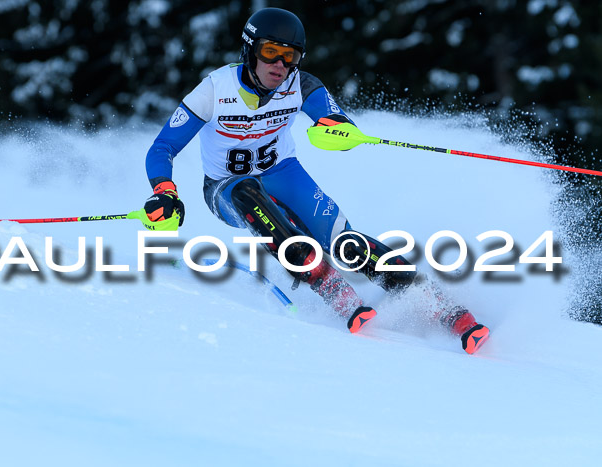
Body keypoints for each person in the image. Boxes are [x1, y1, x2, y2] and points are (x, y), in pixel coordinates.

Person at [142, 7, 489, 354]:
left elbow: (332, 115)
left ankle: (443, 309)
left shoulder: (300, 84)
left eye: (289, 56)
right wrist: (164, 191)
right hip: (225, 188)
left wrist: (338, 128)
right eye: (270, 52)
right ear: (249, 49)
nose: (280, 65)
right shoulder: (215, 89)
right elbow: (163, 147)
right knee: (248, 191)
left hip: (282, 173)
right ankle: (331, 287)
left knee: (346, 242)